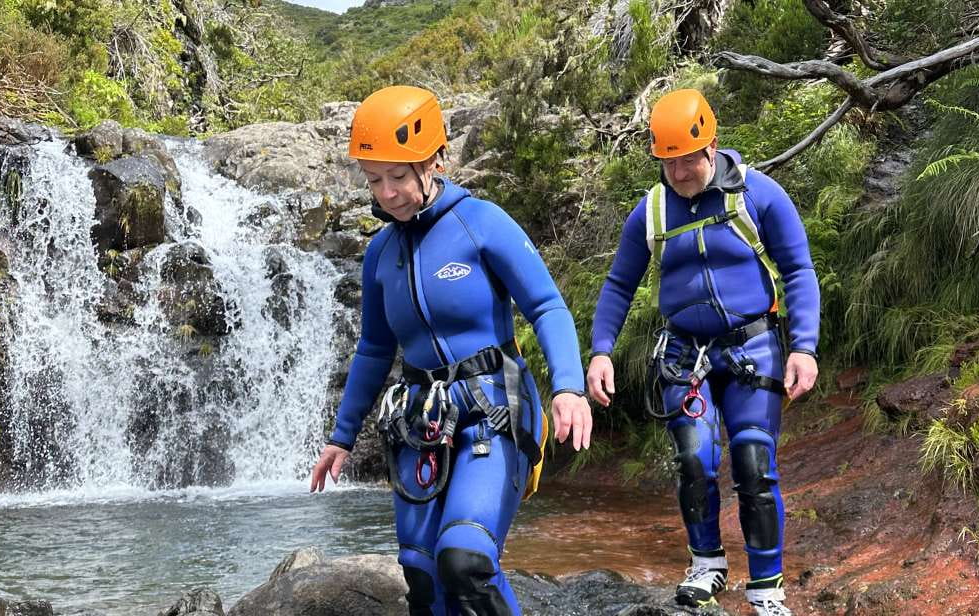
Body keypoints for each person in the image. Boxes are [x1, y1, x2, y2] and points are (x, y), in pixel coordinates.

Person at [310, 84, 593, 616]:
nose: (387, 193)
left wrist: (569, 388)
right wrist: (341, 437)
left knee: (465, 562)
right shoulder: (379, 253)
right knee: (422, 576)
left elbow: (547, 306)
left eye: (398, 176)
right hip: (422, 419)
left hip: (493, 408)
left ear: (435, 160)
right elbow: (374, 349)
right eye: (374, 180)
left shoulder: (481, 222)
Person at [586, 89, 819, 616]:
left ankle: (767, 589)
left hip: (752, 346)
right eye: (668, 163)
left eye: (687, 160)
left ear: (711, 146)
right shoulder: (650, 212)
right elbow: (619, 285)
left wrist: (804, 347)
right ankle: (707, 565)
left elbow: (799, 270)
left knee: (754, 463)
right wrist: (601, 352)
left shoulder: (759, 194)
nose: (679, 173)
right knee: (694, 460)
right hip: (683, 355)